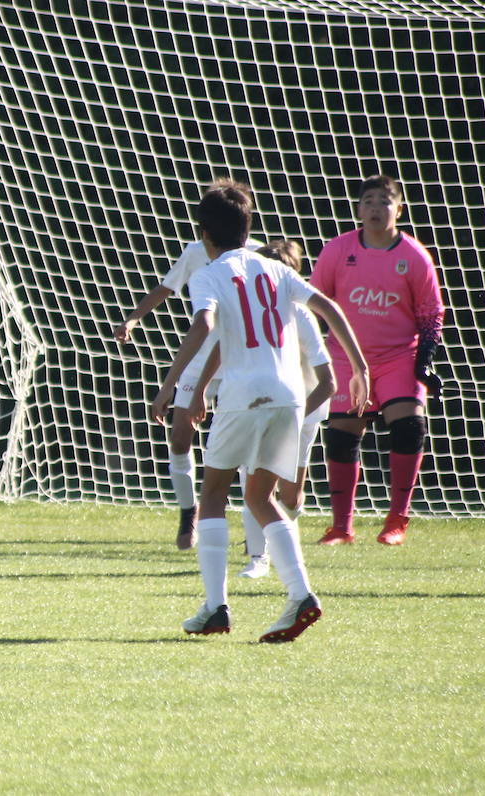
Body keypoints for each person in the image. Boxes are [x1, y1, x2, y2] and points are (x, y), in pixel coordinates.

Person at [151, 185, 368, 642]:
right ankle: (300, 595)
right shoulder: (273, 268)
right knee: (260, 497)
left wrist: (173, 386)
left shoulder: (209, 274)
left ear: (203, 232)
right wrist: (360, 366)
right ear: (249, 228)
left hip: (244, 395)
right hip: (288, 397)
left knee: (213, 496)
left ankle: (215, 607)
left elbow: (207, 326)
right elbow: (325, 306)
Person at [116, 178, 262, 549]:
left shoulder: (260, 258)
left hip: (240, 359)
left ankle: (252, 527)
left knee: (244, 444)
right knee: (180, 433)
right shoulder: (196, 254)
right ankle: (188, 510)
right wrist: (134, 318)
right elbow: (166, 288)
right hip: (202, 356)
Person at [309, 175, 446, 546]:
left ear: (398, 210)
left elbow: (432, 313)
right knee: (341, 436)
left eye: (384, 201)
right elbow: (314, 302)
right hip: (347, 357)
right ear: (358, 209)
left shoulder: (414, 256)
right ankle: (342, 527)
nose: (375, 208)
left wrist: (426, 360)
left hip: (398, 356)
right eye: (368, 200)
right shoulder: (338, 250)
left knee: (409, 428)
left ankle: (396, 522)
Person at [189, 240, 335, 580]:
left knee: (289, 493)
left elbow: (327, 382)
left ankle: (286, 548)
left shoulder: (300, 314)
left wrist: (358, 368)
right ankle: (259, 557)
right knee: (252, 483)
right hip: (263, 404)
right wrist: (200, 389)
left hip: (303, 408)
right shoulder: (248, 314)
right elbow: (224, 348)